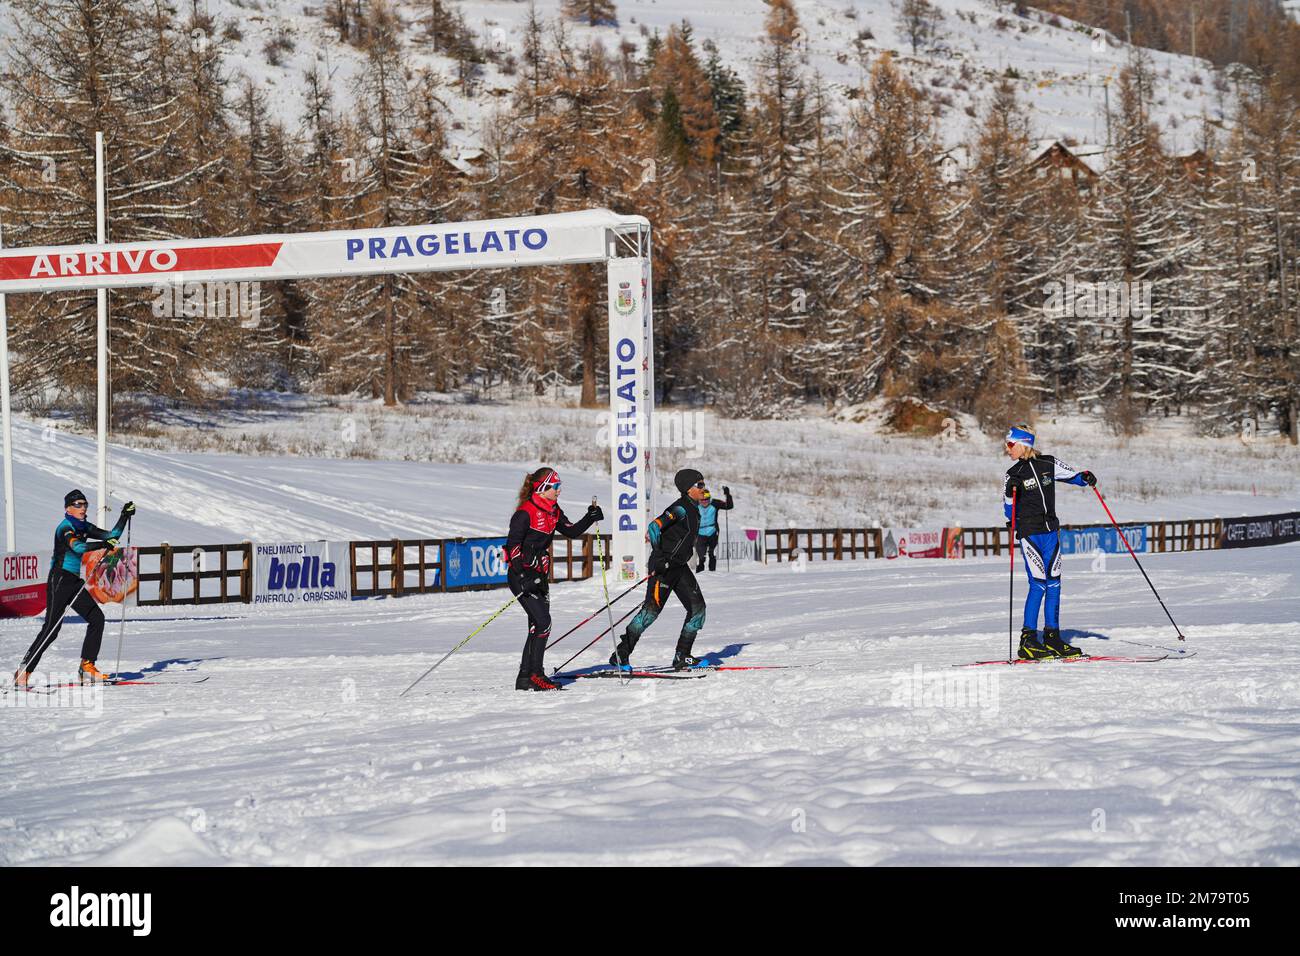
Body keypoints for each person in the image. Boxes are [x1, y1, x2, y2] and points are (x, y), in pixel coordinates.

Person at [13, 491, 135, 687]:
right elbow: (77, 548)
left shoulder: (84, 526)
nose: (83, 508)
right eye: (78, 504)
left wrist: (124, 516)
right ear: (68, 508)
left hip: (74, 581)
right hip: (60, 580)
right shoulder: (65, 527)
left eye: (85, 504)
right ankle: (23, 671)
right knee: (51, 630)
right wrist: (103, 544)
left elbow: (111, 536)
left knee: (97, 618)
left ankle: (87, 667)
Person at [1003, 426, 1096, 660]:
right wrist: (1008, 493)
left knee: (1054, 584)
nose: (1007, 449)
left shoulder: (1048, 463)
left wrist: (1085, 478)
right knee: (1039, 584)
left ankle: (1052, 637)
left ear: (1024, 444)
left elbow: (1073, 477)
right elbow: (1008, 511)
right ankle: (1028, 641)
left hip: (1050, 532)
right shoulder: (1013, 473)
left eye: (1010, 444)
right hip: (1030, 534)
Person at [505, 467, 602, 691]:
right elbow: (512, 548)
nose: (559, 490)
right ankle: (536, 675)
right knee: (543, 623)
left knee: (536, 626)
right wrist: (522, 576)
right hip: (522, 576)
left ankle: (524, 677)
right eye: (555, 487)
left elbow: (571, 531)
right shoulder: (525, 513)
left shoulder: (553, 509)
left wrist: (590, 517)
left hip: (539, 575)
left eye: (559, 486)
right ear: (542, 488)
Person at [610, 468, 711, 671]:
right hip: (664, 567)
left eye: (703, 484)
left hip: (679, 567)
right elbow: (655, 527)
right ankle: (621, 654)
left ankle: (682, 656)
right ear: (688, 489)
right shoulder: (681, 508)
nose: (704, 488)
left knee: (698, 610)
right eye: (699, 485)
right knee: (650, 613)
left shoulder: (694, 508)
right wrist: (660, 556)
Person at [694, 485, 734, 572]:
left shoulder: (715, 503)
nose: (704, 502)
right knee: (701, 556)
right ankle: (700, 575)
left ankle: (712, 573)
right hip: (700, 533)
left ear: (709, 498)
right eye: (702, 500)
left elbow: (729, 506)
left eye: (706, 499)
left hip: (712, 531)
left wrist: (728, 495)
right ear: (698, 500)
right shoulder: (694, 505)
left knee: (712, 553)